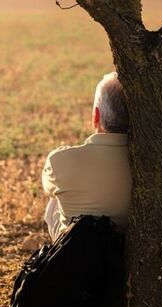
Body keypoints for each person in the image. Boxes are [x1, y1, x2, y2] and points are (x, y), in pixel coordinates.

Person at [42, 72, 132, 242]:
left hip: (75, 254)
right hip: (125, 252)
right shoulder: (148, 164)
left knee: (54, 200)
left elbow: (47, 189)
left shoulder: (59, 160)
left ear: (96, 115)